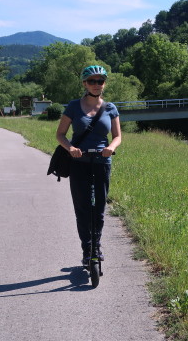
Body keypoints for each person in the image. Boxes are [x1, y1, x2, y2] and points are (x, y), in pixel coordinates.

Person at [56, 65, 121, 266]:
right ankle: (87, 248)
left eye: (100, 81)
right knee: (83, 207)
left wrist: (110, 147)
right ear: (85, 83)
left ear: (104, 83)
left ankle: (97, 246)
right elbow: (60, 134)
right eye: (91, 81)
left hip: (102, 161)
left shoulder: (110, 108)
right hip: (79, 162)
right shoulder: (74, 106)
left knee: (99, 207)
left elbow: (117, 136)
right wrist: (71, 148)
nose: (96, 84)